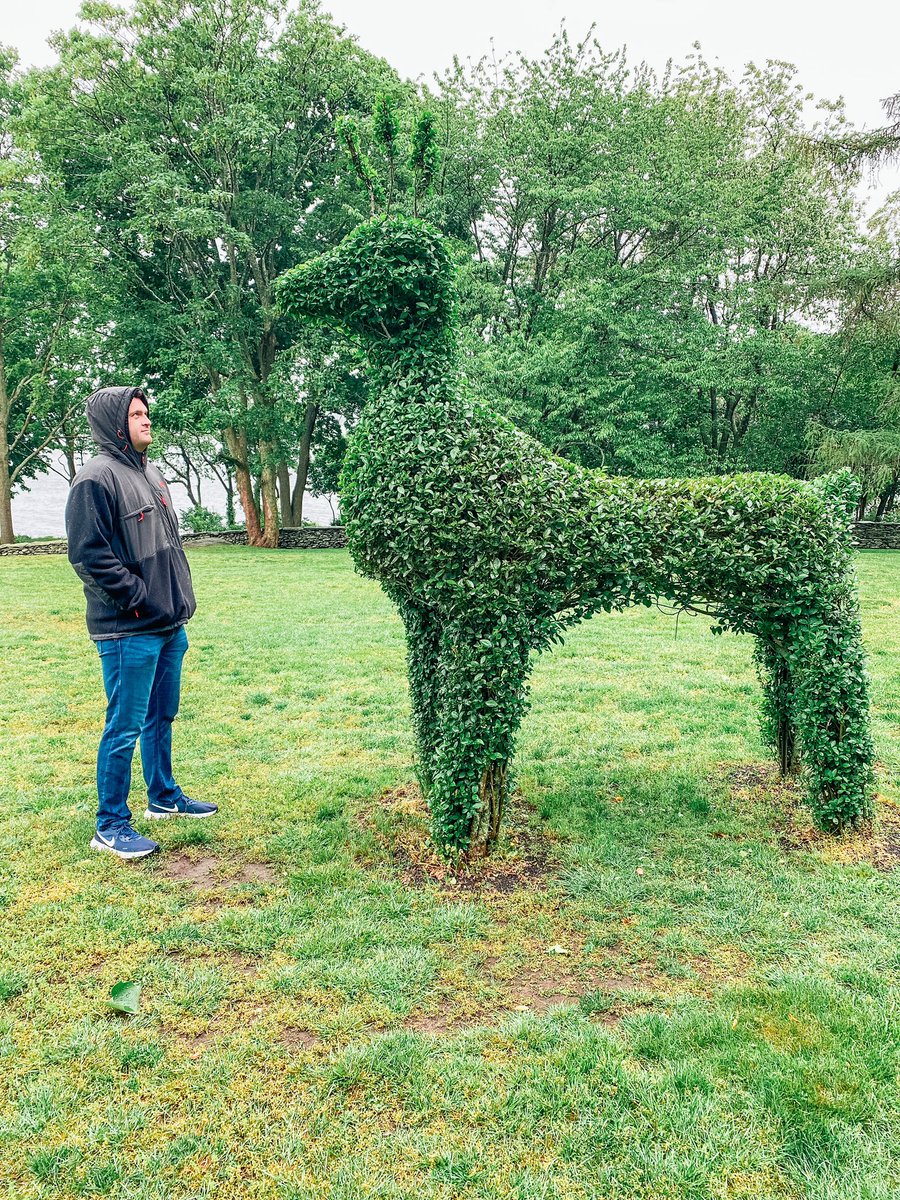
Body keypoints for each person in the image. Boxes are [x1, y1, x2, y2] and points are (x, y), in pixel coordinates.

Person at [65, 385, 217, 860]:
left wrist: (171, 603)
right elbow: (88, 555)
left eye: (147, 412)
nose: (146, 420)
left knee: (161, 715)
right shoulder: (94, 478)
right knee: (124, 725)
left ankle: (163, 796)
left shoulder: (150, 472)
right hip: (128, 628)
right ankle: (110, 824)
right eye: (136, 414)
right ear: (115, 423)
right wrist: (137, 599)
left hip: (169, 624)